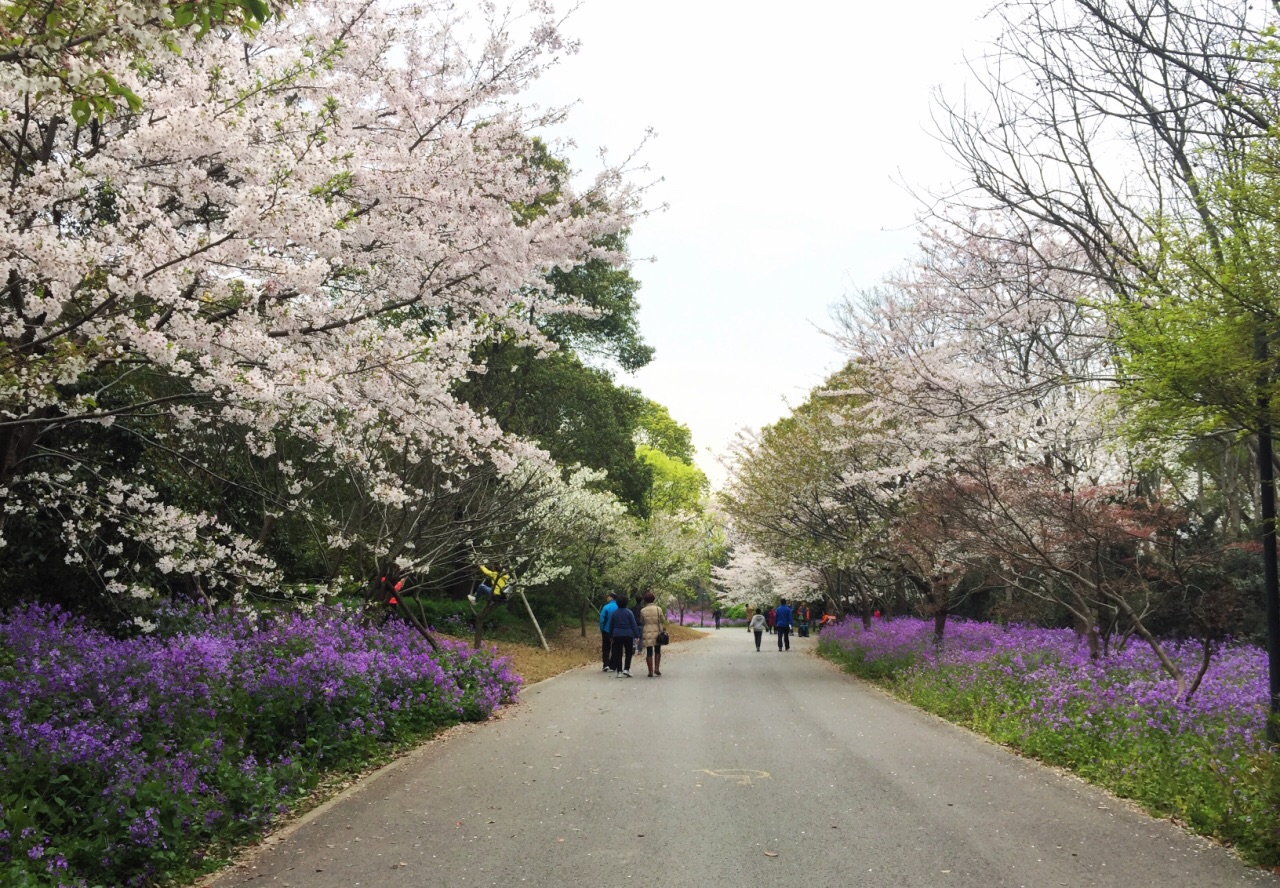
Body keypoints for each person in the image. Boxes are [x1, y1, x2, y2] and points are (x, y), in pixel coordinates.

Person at [610, 593, 640, 677]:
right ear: (626, 603)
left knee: (618, 653)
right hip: (628, 634)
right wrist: (637, 635)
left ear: (617, 603)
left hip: (617, 634)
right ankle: (626, 669)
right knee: (628, 652)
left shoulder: (615, 613)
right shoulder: (629, 612)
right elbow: (633, 624)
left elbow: (611, 625)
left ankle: (619, 671)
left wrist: (611, 636)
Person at [639, 591, 668, 677]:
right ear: (653, 599)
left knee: (649, 652)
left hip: (647, 631)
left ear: (645, 600)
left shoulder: (643, 610)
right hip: (657, 632)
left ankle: (650, 671)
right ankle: (657, 669)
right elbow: (663, 620)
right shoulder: (658, 609)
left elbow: (641, 621)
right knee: (657, 650)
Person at [599, 592, 618, 672]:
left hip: (607, 630)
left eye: (608, 597)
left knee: (606, 647)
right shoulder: (619, 607)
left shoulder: (606, 607)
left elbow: (602, 620)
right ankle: (613, 665)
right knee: (615, 647)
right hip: (616, 631)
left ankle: (606, 664)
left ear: (611, 598)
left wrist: (602, 629)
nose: (607, 598)